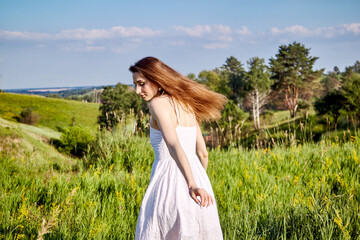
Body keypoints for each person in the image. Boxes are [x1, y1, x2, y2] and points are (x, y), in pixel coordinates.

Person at [130, 57, 226, 240]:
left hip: (168, 182)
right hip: (200, 183)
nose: (138, 91)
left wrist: (190, 184)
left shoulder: (157, 104)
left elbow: (173, 144)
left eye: (142, 84)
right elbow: (203, 153)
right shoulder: (187, 103)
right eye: (135, 85)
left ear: (157, 79)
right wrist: (196, 182)